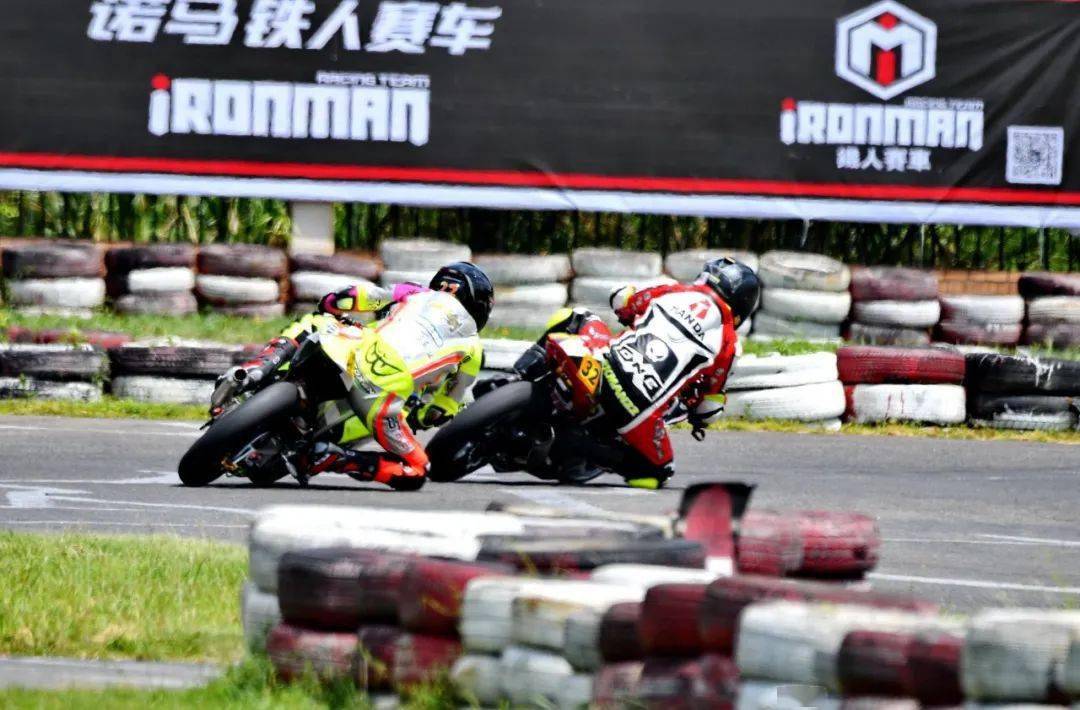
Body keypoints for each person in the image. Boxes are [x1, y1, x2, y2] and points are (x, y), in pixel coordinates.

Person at [215, 262, 494, 490]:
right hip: (381, 393)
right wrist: (425, 416)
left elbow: (362, 295)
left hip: (353, 348)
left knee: (316, 321)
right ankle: (334, 457)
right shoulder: (473, 345)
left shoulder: (415, 293)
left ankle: (256, 368)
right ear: (479, 306)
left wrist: (332, 304)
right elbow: (445, 405)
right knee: (418, 470)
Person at [597, 257, 760, 489]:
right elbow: (709, 407)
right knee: (658, 471)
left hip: (604, 366)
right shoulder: (729, 343)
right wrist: (698, 415)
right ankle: (596, 452)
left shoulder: (673, 290)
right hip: (638, 410)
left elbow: (621, 298)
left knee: (578, 319)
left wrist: (628, 310)